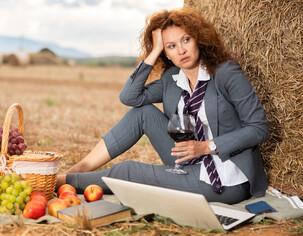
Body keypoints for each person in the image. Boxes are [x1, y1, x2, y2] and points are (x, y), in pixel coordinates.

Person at [56, 7, 269, 204]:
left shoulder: (225, 72)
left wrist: (206, 146)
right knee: (143, 112)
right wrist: (154, 50)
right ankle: (81, 169)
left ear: (199, 39)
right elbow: (130, 97)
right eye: (172, 46)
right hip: (187, 158)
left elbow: (259, 128)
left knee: (128, 171)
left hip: (225, 175)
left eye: (186, 40)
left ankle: (63, 181)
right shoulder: (172, 78)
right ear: (166, 53)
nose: (181, 50)